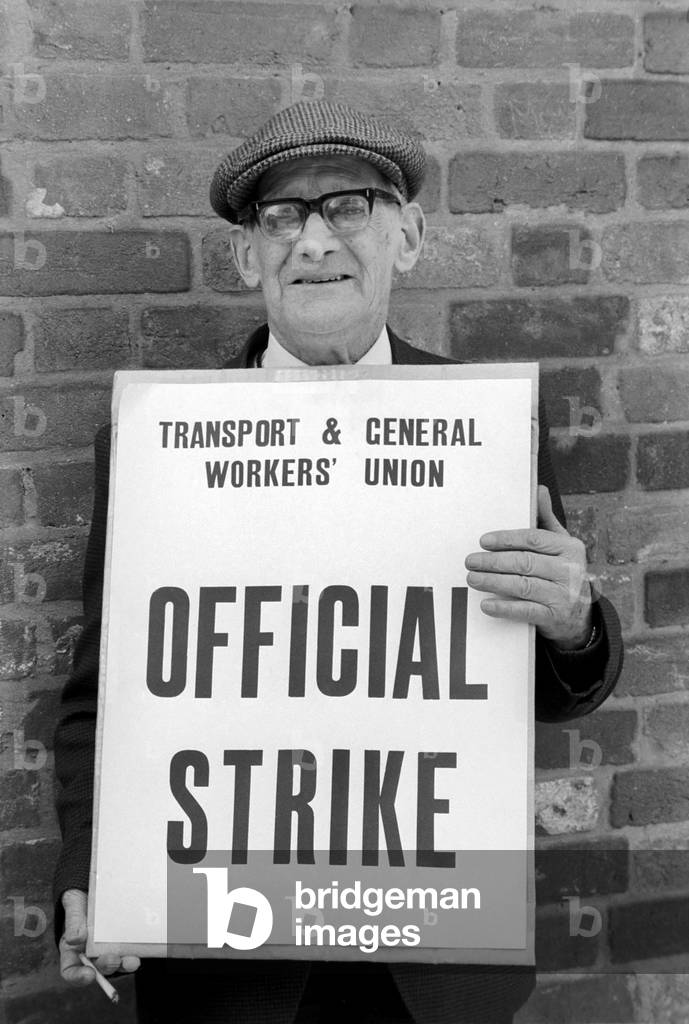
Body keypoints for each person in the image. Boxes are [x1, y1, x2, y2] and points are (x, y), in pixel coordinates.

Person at [53, 100, 624, 1024]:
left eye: (349, 206)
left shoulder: (486, 429)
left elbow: (537, 694)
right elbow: (101, 695)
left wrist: (571, 621)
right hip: (226, 956)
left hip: (432, 959)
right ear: (248, 254)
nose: (314, 240)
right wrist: (90, 875)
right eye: (281, 216)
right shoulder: (158, 448)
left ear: (409, 235)